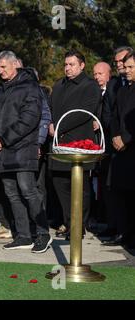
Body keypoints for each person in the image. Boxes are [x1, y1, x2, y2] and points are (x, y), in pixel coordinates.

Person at [0, 51, 51, 253]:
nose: (0, 71)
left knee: (28, 191)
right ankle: (23, 236)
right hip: (1, 152)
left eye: (3, 67)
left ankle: (43, 233)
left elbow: (30, 118)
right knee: (11, 193)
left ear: (15, 65)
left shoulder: (30, 87)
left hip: (22, 149)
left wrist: (4, 139)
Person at [48, 50, 101, 240]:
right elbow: (50, 107)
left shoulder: (90, 86)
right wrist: (50, 124)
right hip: (59, 145)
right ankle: (70, 222)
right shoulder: (59, 85)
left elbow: (85, 112)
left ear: (82, 65)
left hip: (80, 144)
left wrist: (59, 125)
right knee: (59, 183)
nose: (67, 68)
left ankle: (79, 225)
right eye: (66, 64)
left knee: (80, 187)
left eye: (71, 64)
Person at [101, 52, 135, 247]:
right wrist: (115, 136)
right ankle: (123, 232)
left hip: (132, 148)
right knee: (120, 193)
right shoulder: (122, 91)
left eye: (131, 67)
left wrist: (126, 139)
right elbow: (114, 116)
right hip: (119, 149)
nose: (126, 70)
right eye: (126, 67)